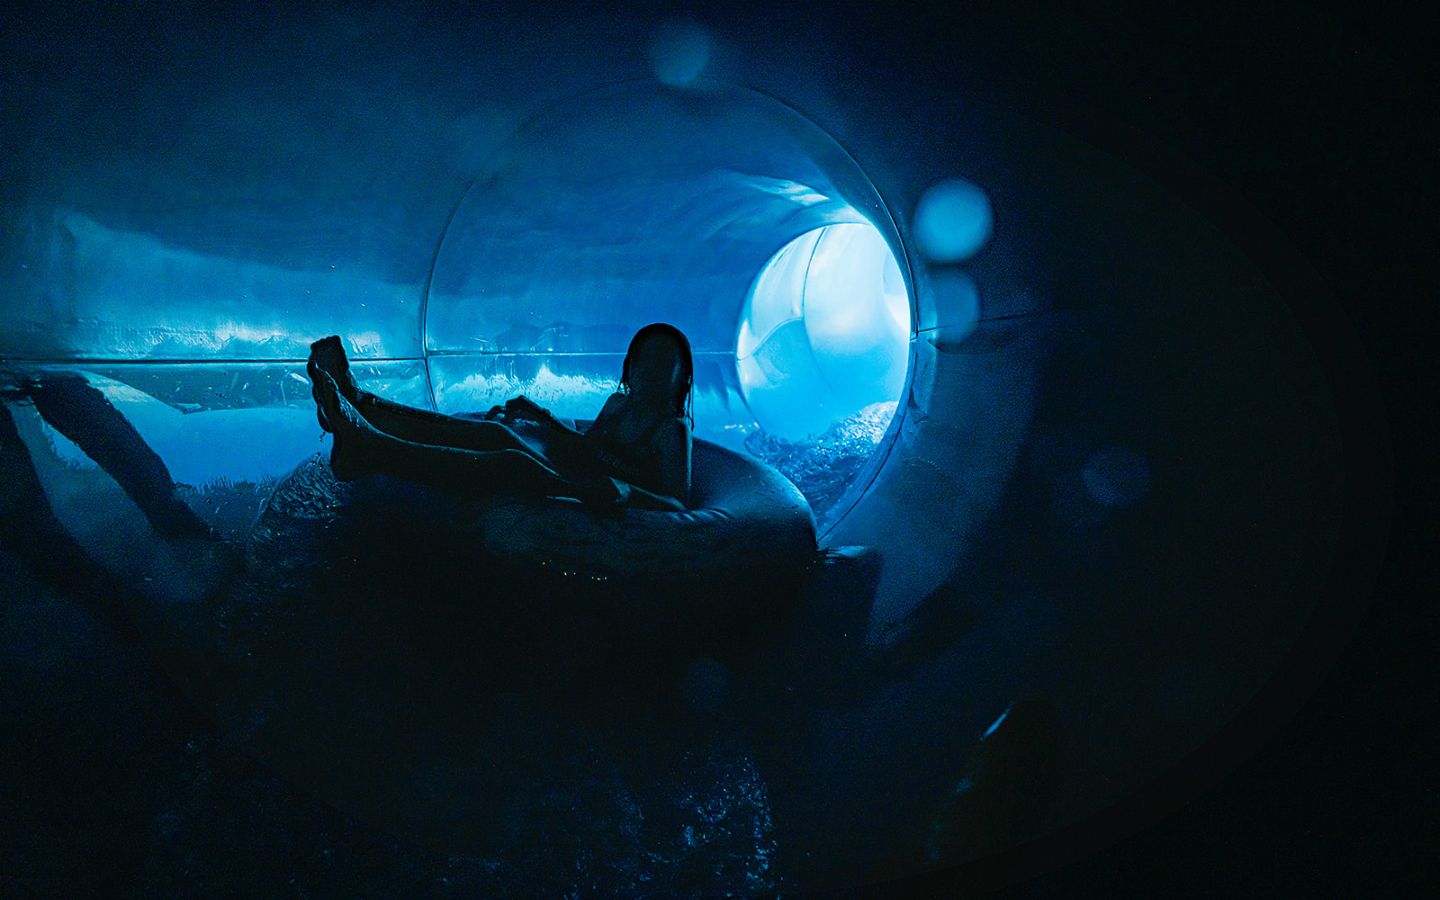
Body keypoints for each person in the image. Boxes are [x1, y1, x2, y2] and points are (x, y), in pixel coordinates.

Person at [307, 323, 694, 512]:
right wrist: (539, 416)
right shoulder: (616, 405)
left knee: (513, 461)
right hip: (578, 472)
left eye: (666, 364)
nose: (654, 371)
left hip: (594, 491)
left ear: (681, 377)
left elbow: (678, 503)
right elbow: (586, 449)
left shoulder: (670, 430)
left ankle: (373, 448)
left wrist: (628, 492)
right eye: (647, 360)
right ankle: (365, 404)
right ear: (631, 366)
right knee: (496, 433)